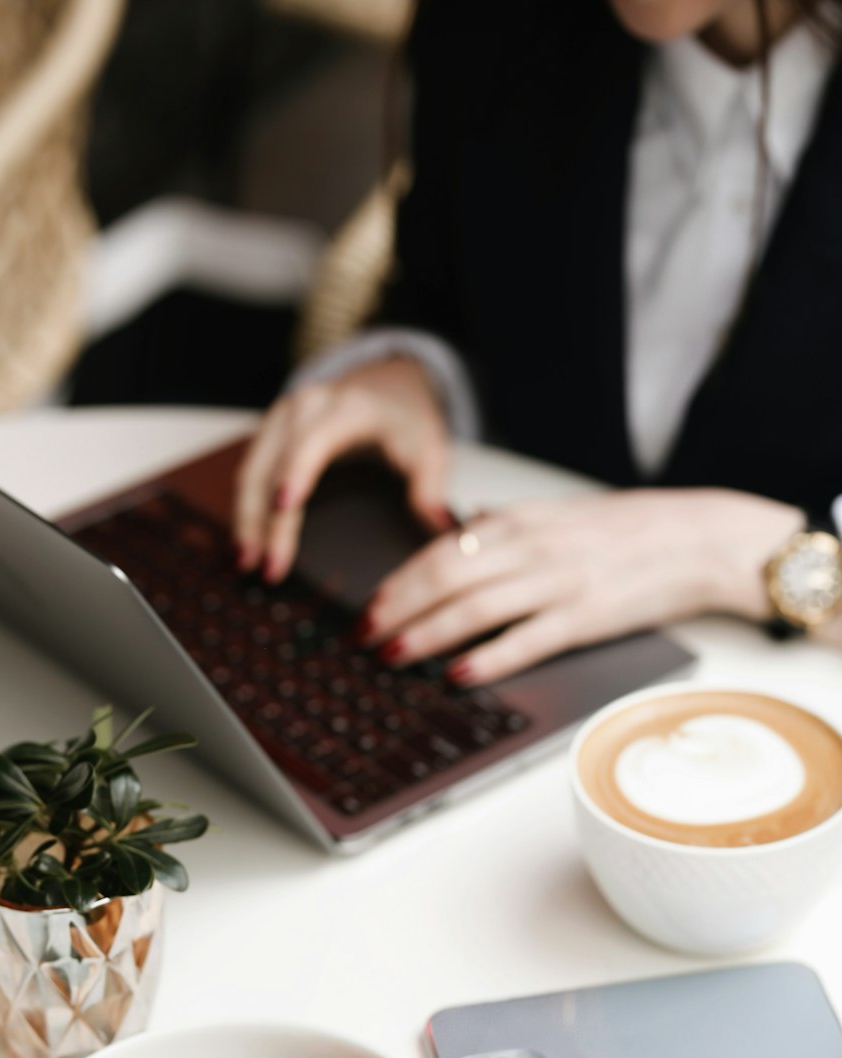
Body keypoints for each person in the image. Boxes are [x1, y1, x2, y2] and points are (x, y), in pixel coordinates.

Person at [232, 0, 842, 685]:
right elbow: (444, 296)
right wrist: (410, 375)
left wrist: (735, 552)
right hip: (525, 683)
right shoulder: (491, 24)